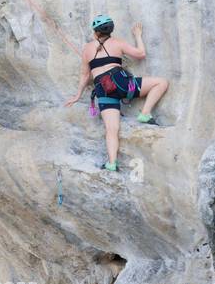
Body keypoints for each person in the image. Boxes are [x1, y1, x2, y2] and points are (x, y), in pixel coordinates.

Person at [64, 14, 170, 171]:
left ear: (95, 32)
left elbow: (85, 75)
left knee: (111, 129)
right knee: (161, 82)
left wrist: (78, 95)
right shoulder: (117, 43)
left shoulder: (87, 49)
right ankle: (145, 113)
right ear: (110, 30)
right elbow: (141, 54)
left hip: (103, 90)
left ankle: (112, 163)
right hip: (123, 86)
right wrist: (138, 36)